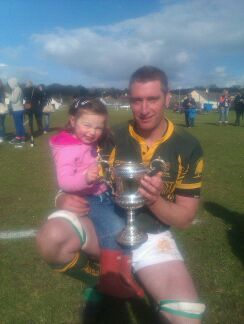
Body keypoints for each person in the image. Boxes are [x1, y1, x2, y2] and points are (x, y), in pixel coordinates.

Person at [36, 66, 205, 323]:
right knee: (52, 237)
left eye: (153, 99)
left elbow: (184, 219)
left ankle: (128, 272)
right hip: (106, 225)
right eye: (137, 100)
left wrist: (154, 199)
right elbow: (76, 170)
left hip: (153, 235)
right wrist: (61, 197)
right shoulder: (110, 136)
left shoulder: (188, 146)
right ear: (129, 100)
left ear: (167, 98)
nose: (144, 108)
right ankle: (107, 278)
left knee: (186, 318)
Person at [49, 97, 143, 297]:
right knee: (114, 232)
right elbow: (64, 182)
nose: (92, 132)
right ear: (73, 121)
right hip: (92, 199)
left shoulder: (82, 141)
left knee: (124, 226)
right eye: (87, 125)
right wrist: (86, 178)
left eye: (98, 127)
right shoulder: (67, 148)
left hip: (103, 194)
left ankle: (125, 273)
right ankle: (111, 279)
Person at [7, 78, 26, 147]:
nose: (9, 85)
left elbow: (14, 100)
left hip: (17, 110)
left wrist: (8, 95)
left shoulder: (17, 89)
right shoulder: (17, 89)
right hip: (18, 109)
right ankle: (23, 138)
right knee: (20, 124)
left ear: (13, 83)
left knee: (18, 125)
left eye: (10, 84)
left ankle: (18, 138)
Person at [24, 81, 43, 146]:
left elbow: (24, 97)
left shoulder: (25, 90)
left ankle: (31, 133)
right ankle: (39, 130)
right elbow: (41, 97)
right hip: (35, 107)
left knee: (30, 121)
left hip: (29, 107)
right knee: (37, 119)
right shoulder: (36, 90)